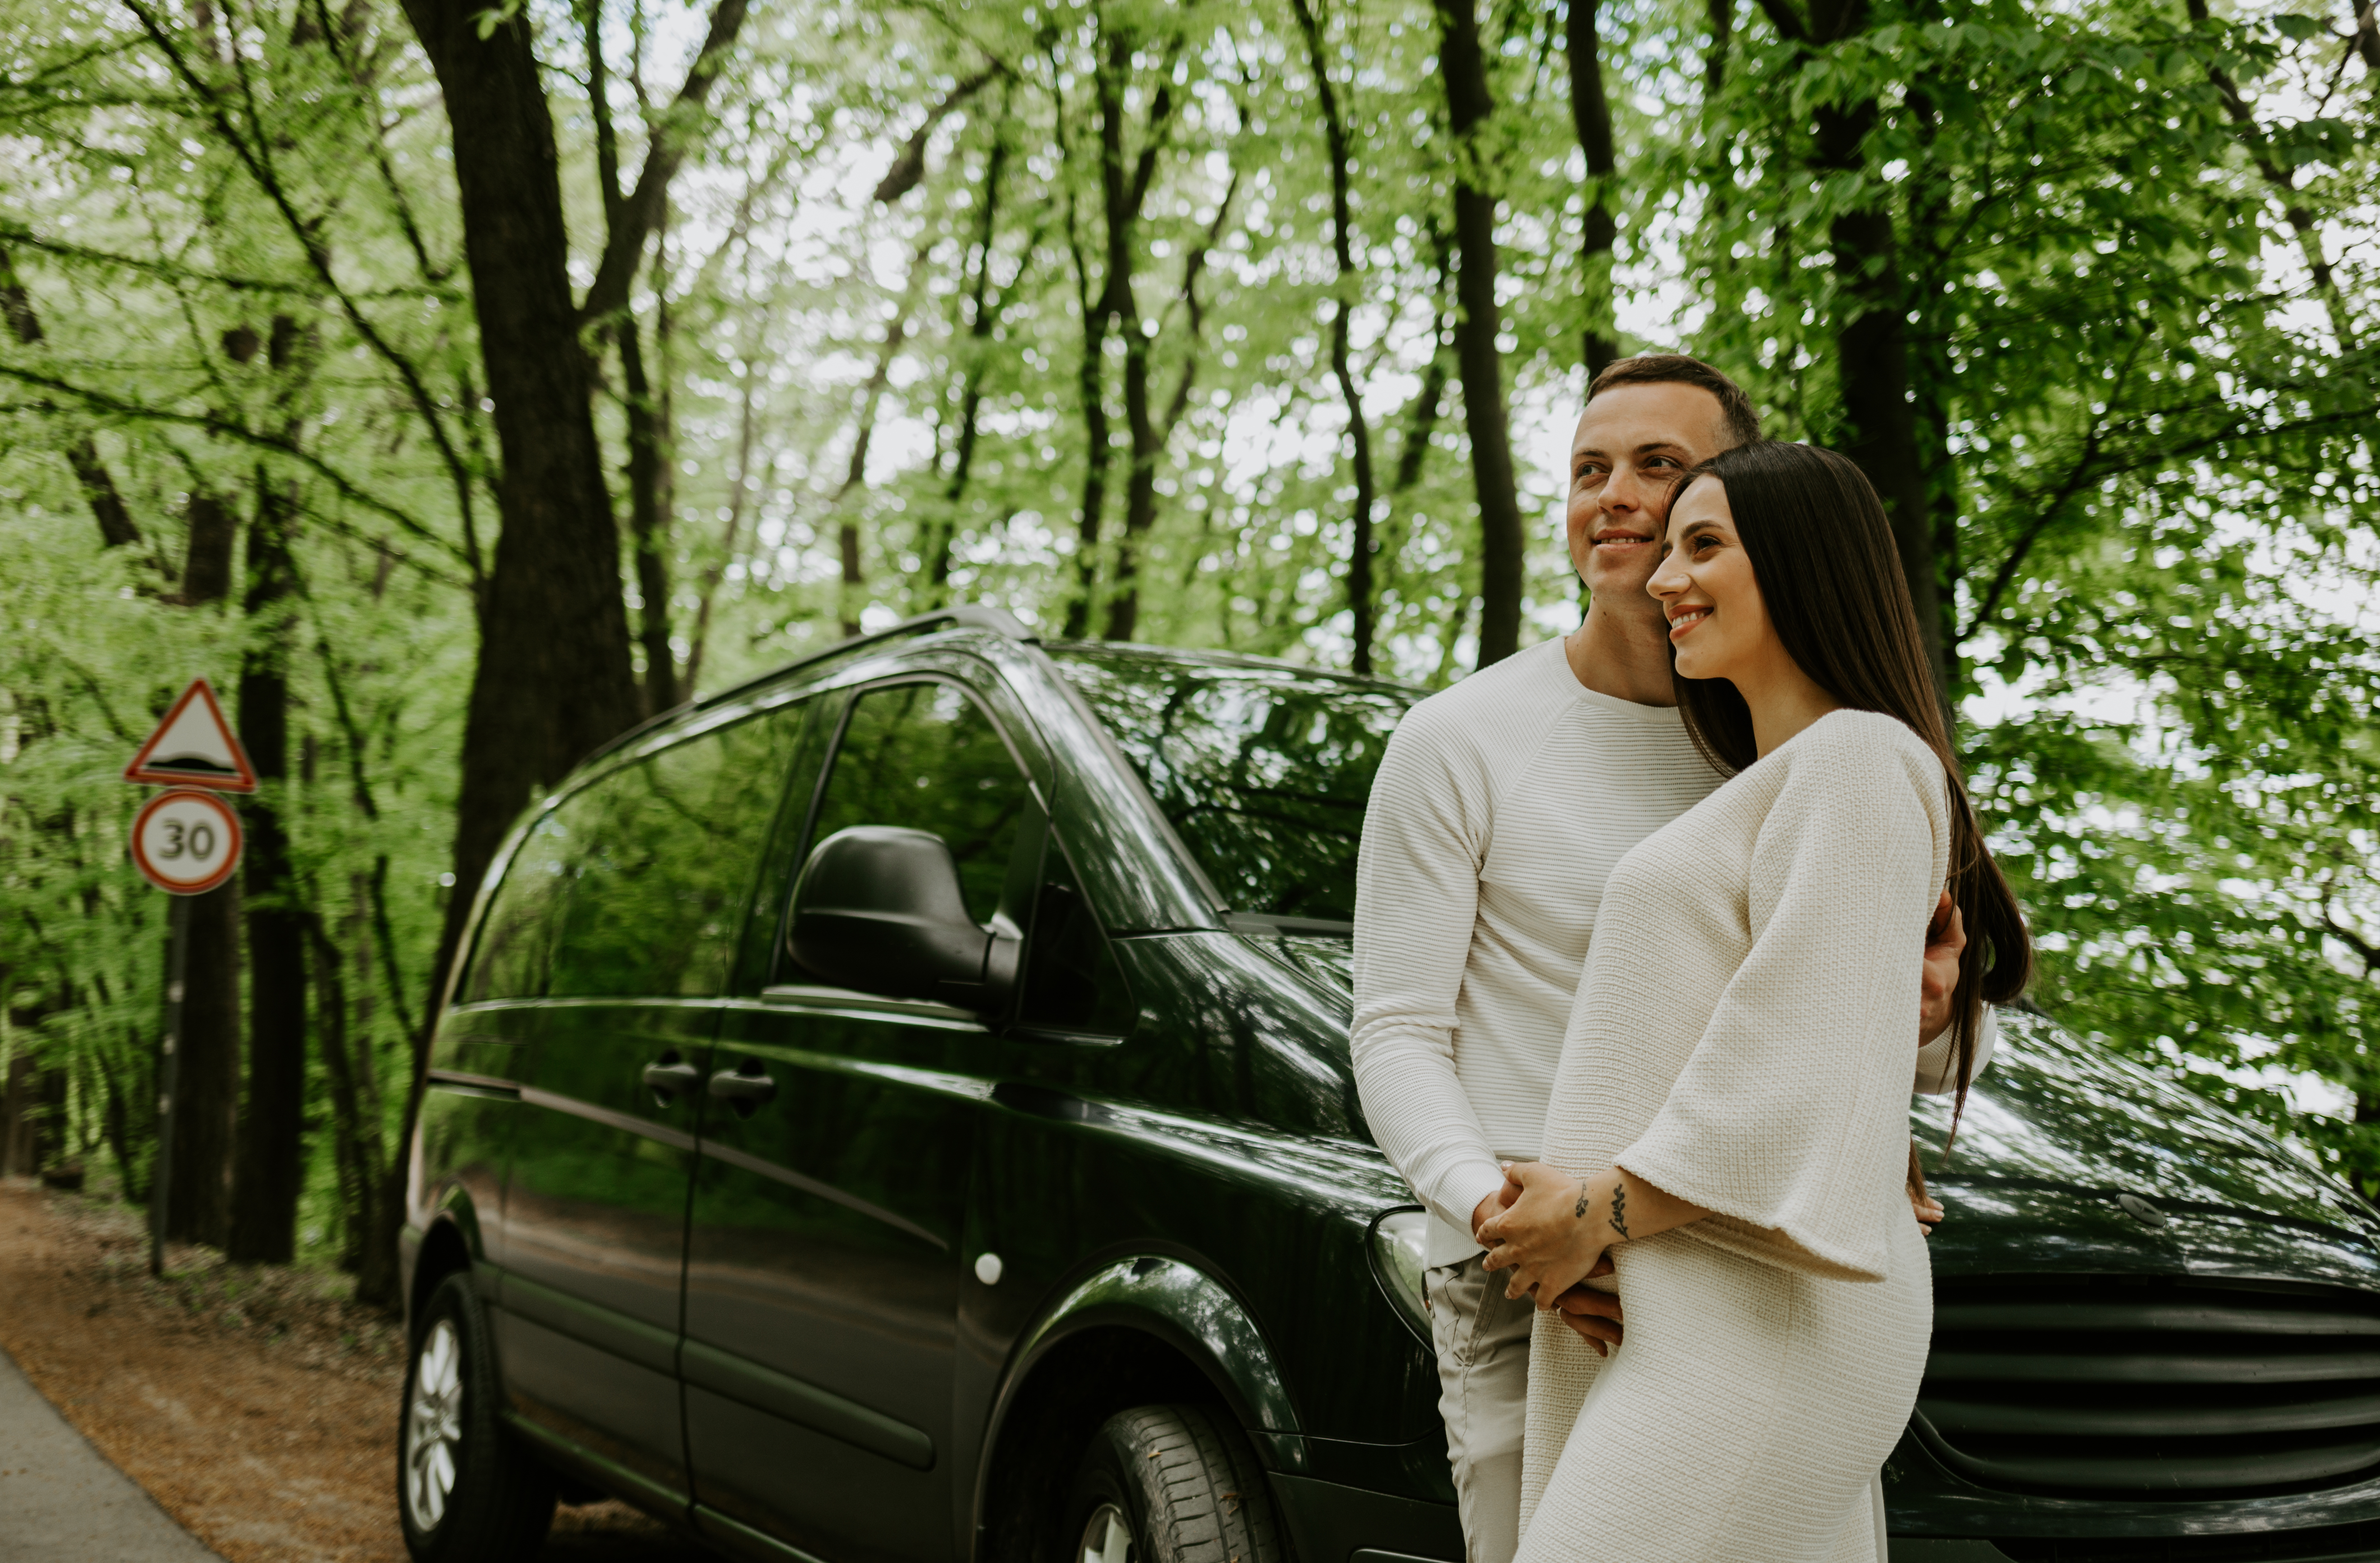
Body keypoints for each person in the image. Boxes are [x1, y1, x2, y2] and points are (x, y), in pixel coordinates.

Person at [1349, 357, 1986, 1563]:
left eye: (1660, 468)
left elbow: (1863, 1032)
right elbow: (1393, 1030)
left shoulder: (1797, 750)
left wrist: (1920, 1018)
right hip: (1528, 1265)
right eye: (1589, 468)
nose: (1617, 499)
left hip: (1733, 1264)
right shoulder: (1458, 739)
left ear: (1751, 507)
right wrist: (1514, 1219)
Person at [1476, 441, 2032, 1562]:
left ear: (1802, 562)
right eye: (1667, 550)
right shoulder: (1779, 782)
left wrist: (1592, 1214)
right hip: (1693, 1305)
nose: (1663, 579)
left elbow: (1795, 1063)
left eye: (1703, 545)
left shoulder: (1862, 760)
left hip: (1764, 1319)